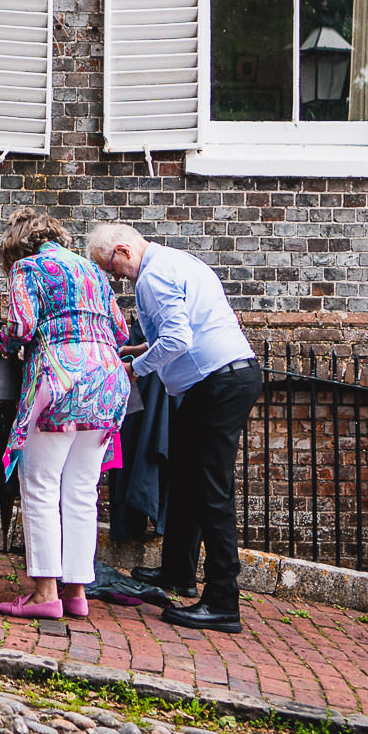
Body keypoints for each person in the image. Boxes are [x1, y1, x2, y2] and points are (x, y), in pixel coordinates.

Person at [86, 221, 260, 633]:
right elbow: (183, 327)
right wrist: (140, 346)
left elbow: (178, 339)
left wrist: (134, 367)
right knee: (183, 477)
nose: (114, 278)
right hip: (223, 379)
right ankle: (176, 573)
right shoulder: (175, 261)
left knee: (211, 491)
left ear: (124, 251)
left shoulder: (153, 277)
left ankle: (223, 601)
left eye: (110, 268)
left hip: (216, 384)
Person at [0, 207, 132, 620]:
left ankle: (45, 592)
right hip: (108, 379)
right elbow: (120, 330)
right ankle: (77, 591)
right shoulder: (95, 273)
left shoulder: (28, 269)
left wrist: (1, 344)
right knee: (83, 491)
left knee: (41, 483)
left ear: (16, 246)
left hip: (61, 377)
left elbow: (21, 328)